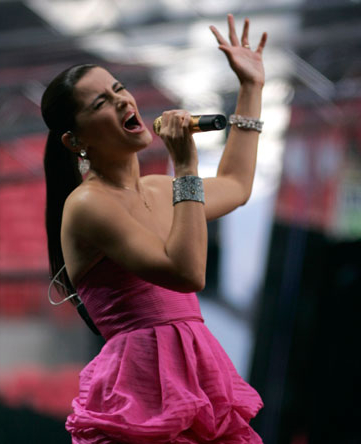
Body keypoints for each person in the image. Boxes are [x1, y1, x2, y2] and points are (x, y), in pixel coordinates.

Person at [41, 13, 267, 444]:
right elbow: (187, 274)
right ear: (75, 141)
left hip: (197, 378)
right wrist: (185, 165)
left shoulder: (163, 191)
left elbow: (237, 186)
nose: (123, 101)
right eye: (100, 104)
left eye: (118, 89)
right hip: (139, 393)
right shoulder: (88, 205)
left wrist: (251, 89)